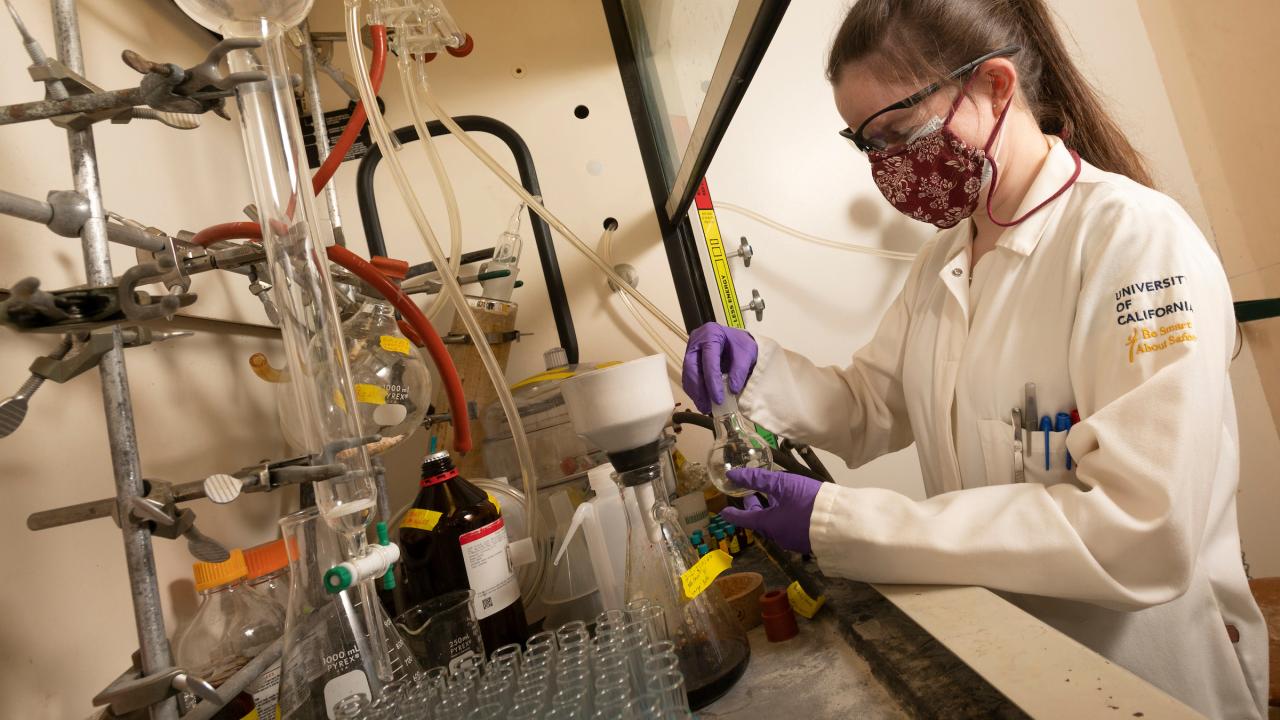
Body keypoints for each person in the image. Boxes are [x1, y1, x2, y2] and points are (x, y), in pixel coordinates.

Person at [681, 1, 1268, 717]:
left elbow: (1139, 533)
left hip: (1142, 679)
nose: (888, 165)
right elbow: (870, 404)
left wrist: (840, 524)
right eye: (866, 144)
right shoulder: (944, 261)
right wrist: (759, 370)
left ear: (994, 86)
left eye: (900, 132)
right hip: (1003, 655)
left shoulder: (1134, 241)